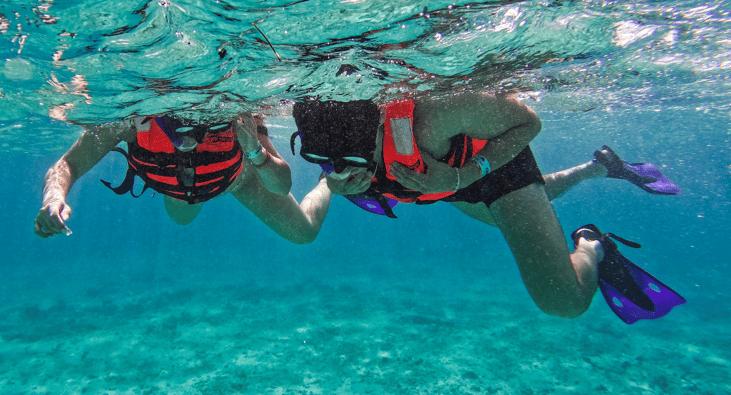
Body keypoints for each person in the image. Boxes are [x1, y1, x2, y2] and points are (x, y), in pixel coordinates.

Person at [291, 94, 682, 319]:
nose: (337, 171)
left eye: (349, 162)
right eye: (324, 161)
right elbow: (339, 165)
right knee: (531, 210)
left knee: (562, 302)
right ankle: (598, 167)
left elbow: (528, 122)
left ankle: (592, 244)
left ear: (373, 133)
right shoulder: (341, 145)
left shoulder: (431, 119)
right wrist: (339, 181)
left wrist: (463, 176)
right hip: (447, 184)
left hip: (496, 168)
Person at [35, 113, 331, 244]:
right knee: (182, 218)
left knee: (303, 233)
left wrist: (255, 151)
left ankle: (327, 182)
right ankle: (188, 187)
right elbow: (67, 164)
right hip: (178, 193)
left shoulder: (235, 113)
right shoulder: (130, 118)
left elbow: (282, 186)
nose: (188, 135)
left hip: (239, 179)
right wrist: (54, 197)